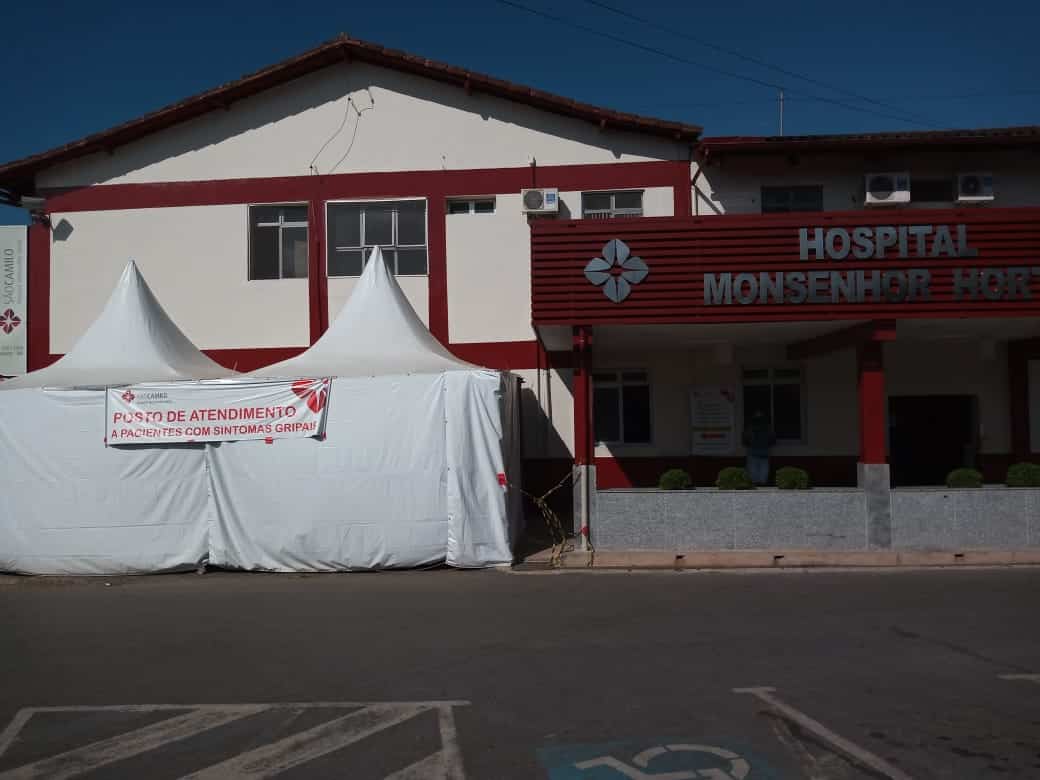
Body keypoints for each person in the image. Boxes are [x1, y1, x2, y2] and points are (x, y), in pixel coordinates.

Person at [743, 410, 775, 486]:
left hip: (752, 452)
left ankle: (754, 484)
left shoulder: (749, 427)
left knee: (752, 471)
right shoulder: (768, 427)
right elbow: (773, 440)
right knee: (764, 471)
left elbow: (745, 440)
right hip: (765, 452)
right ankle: (762, 484)